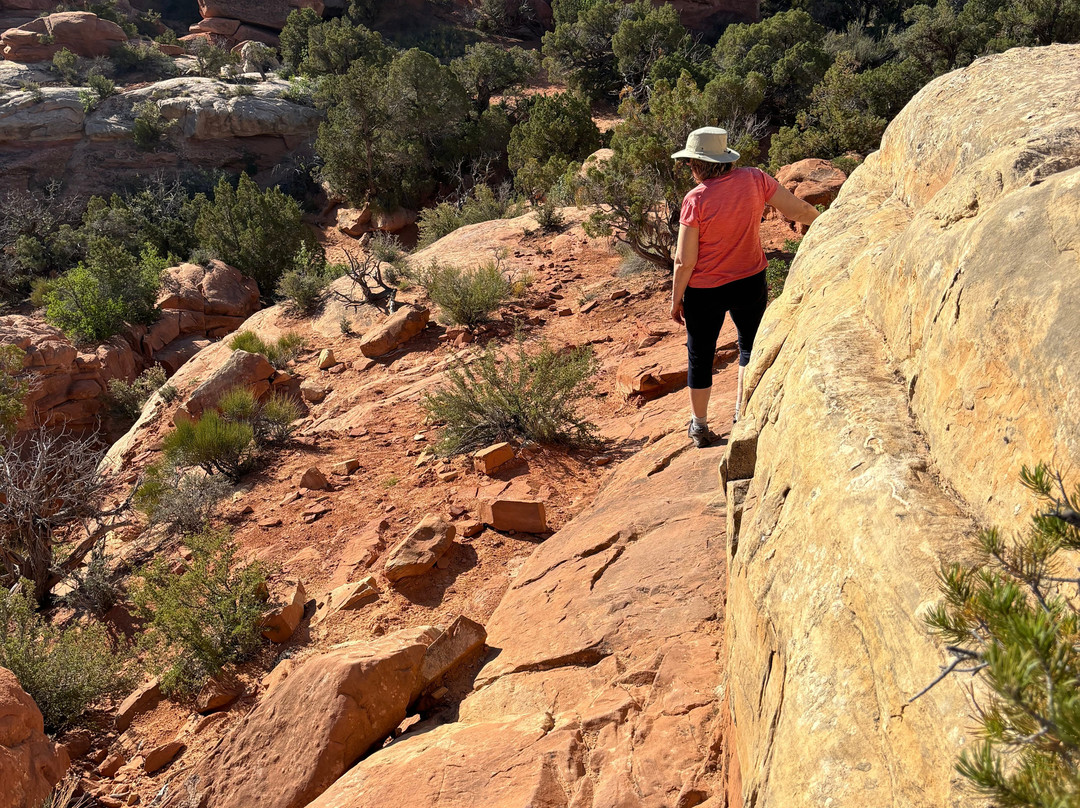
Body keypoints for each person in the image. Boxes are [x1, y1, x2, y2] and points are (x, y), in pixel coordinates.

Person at [670, 126, 820, 448]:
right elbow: (796, 210)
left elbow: (684, 260)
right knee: (749, 346)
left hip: (704, 291)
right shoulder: (754, 178)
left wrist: (676, 300)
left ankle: (699, 426)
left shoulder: (695, 199)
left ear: (698, 164)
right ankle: (742, 413)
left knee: (700, 356)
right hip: (749, 279)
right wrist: (824, 218)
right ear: (724, 159)